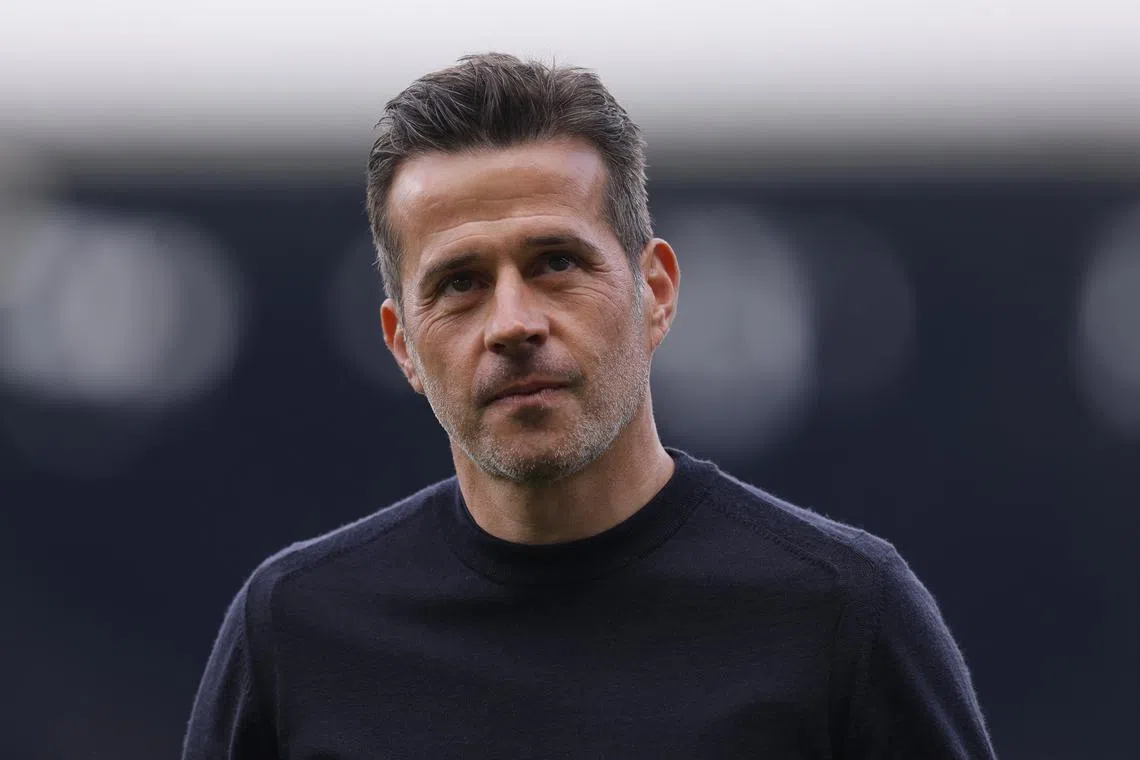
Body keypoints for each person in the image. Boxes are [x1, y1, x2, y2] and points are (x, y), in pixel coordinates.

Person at [183, 53, 997, 759]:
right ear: (402, 343)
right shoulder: (295, 631)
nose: (513, 323)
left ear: (656, 291)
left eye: (557, 262)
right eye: (461, 282)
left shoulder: (841, 613)